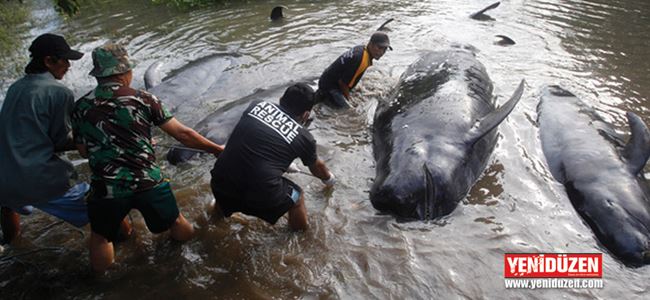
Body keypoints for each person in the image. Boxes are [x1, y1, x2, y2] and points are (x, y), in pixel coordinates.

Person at [72, 43, 224, 272]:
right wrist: (216, 149)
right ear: (124, 73)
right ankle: (193, 261)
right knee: (176, 222)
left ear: (99, 75)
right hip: (147, 181)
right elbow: (183, 134)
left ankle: (102, 282)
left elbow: (84, 151)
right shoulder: (144, 99)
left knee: (101, 236)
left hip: (107, 187)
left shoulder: (80, 107)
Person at [0, 33, 96, 244]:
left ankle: (12, 245)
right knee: (105, 214)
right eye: (65, 59)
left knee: (7, 204)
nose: (68, 65)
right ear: (48, 61)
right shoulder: (59, 92)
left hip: (4, 178)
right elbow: (61, 141)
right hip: (39, 178)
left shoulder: (16, 87)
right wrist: (93, 140)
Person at [210, 83, 335, 230]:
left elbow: (251, 139)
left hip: (219, 183)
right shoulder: (305, 137)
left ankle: (213, 220)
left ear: (281, 99)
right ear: (306, 114)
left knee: (231, 171)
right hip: (260, 196)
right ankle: (299, 237)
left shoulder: (256, 105)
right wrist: (329, 180)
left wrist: (284, 164)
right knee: (297, 197)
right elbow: (317, 168)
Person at [316, 31, 392, 108]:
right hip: (330, 87)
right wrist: (349, 99)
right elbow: (343, 83)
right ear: (371, 44)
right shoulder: (360, 59)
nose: (381, 52)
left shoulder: (362, 49)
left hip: (327, 79)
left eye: (385, 49)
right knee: (349, 111)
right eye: (379, 47)